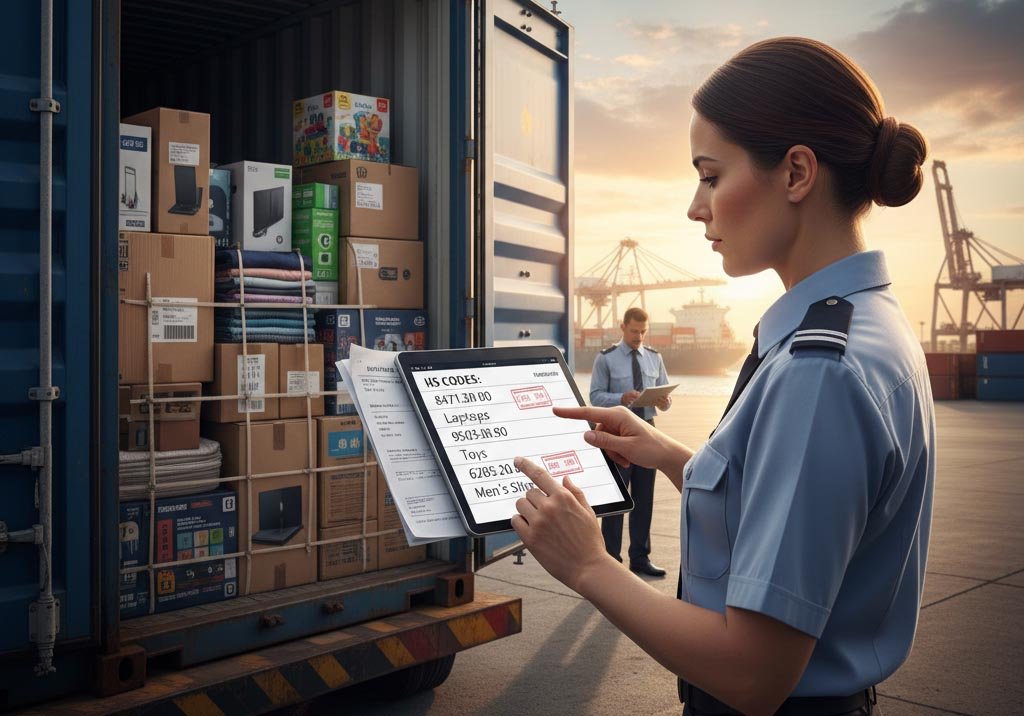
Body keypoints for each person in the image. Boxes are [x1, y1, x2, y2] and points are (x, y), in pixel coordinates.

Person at [511, 37, 934, 716]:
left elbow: (753, 675)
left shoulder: (818, 374)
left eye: (710, 176)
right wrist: (670, 455)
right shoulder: (866, 320)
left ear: (796, 173)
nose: (695, 206)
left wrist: (589, 564)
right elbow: (792, 504)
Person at [589, 307, 672, 577]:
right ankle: (611, 561)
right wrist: (620, 399)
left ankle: (640, 558)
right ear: (622, 327)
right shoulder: (606, 359)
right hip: (618, 433)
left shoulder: (654, 358)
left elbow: (667, 400)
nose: (639, 336)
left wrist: (664, 400)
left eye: (643, 332)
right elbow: (595, 396)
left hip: (648, 429)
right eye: (634, 331)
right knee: (616, 499)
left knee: (644, 498)